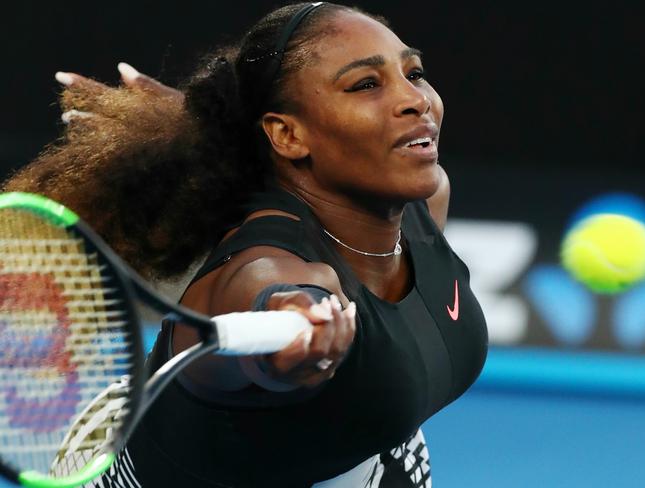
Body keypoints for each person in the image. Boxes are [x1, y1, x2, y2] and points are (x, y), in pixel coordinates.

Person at [4, 2, 487, 486]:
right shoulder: (265, 271)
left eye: (415, 73)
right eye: (365, 84)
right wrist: (296, 327)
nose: (416, 100)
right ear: (286, 134)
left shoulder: (423, 202)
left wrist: (199, 134)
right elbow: (270, 296)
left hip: (352, 460)